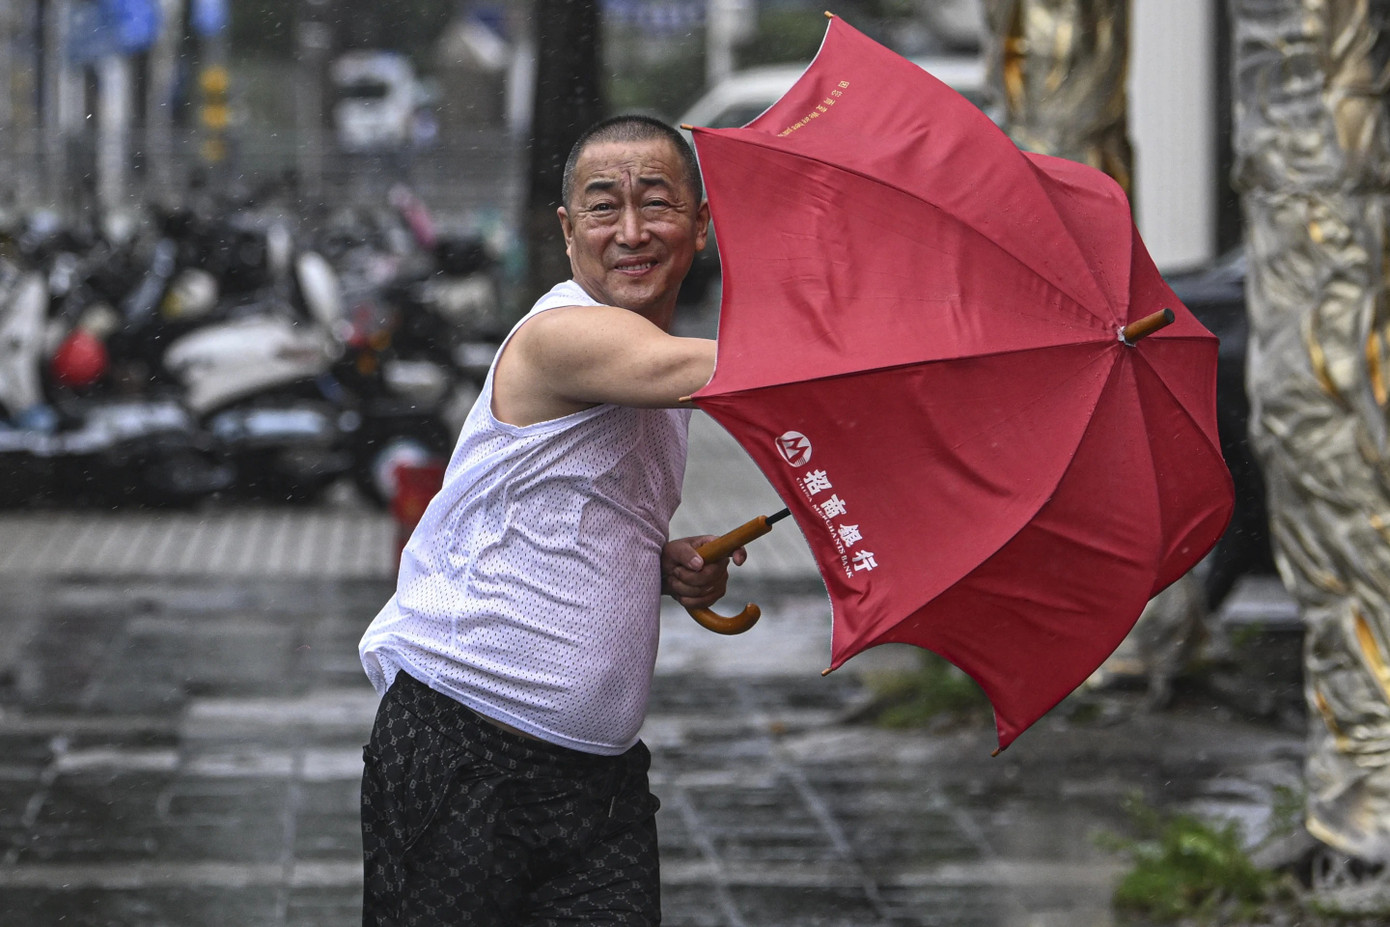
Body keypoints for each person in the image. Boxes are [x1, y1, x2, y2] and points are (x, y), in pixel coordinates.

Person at [357, 114, 742, 926]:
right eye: (604, 208)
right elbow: (702, 367)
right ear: (569, 233)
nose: (631, 231)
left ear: (702, 226)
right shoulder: (559, 336)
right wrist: (872, 340)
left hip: (598, 781)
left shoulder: (655, 362)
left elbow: (590, 502)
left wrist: (662, 561)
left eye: (658, 204)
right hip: (462, 748)